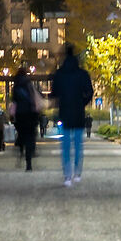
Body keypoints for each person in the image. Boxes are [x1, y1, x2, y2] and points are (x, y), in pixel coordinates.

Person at [48, 43, 94, 185]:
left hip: (65, 113)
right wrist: (82, 102)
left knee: (66, 145)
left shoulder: (59, 75)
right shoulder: (82, 74)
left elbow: (54, 94)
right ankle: (77, 173)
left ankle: (67, 175)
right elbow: (90, 92)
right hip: (78, 112)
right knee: (78, 145)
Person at [11, 64, 39, 170]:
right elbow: (34, 99)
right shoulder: (29, 85)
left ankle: (20, 146)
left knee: (22, 133)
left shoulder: (16, 86)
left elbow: (14, 102)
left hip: (20, 114)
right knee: (30, 136)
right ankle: (29, 162)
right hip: (30, 114)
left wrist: (13, 115)